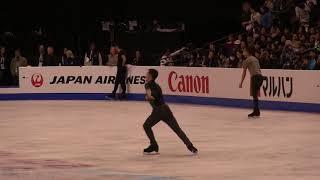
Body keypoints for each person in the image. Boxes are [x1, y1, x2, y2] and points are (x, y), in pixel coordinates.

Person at [143, 69, 198, 154]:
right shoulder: (156, 86)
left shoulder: (148, 85)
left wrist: (147, 97)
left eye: (147, 74)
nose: (145, 75)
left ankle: (154, 145)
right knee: (177, 129)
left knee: (146, 126)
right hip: (166, 109)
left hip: (158, 111)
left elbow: (152, 97)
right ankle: (190, 146)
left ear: (150, 76)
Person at [239, 46, 266, 118]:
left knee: (254, 96)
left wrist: (241, 82)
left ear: (248, 52)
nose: (243, 52)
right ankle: (256, 111)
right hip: (260, 77)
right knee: (255, 95)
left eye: (244, 51)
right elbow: (259, 69)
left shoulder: (246, 61)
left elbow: (244, 73)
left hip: (255, 78)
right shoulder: (255, 59)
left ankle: (256, 112)